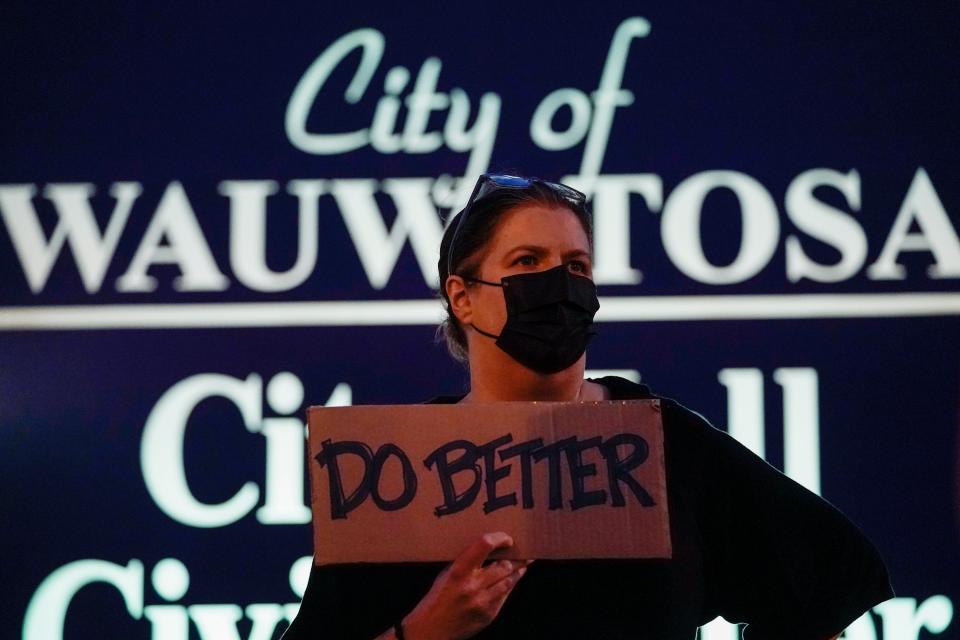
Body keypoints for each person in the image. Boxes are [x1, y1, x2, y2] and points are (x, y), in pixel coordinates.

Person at [283, 174, 894, 639]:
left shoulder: (658, 440)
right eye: (528, 263)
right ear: (462, 297)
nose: (560, 283)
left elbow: (832, 578)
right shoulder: (400, 468)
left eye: (576, 265)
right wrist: (423, 632)